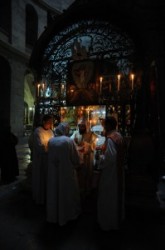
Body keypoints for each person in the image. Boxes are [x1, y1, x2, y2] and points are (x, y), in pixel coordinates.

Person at [46, 122, 81, 226]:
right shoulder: (68, 141)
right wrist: (78, 164)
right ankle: (67, 215)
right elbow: (75, 158)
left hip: (53, 173)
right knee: (66, 194)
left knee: (54, 193)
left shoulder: (51, 141)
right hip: (66, 173)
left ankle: (53, 215)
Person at [97, 116, 125, 231]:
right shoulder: (118, 136)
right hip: (117, 171)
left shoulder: (110, 138)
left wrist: (100, 158)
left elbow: (109, 158)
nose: (103, 127)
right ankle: (116, 220)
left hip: (110, 174)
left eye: (104, 125)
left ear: (108, 126)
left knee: (108, 197)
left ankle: (108, 223)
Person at [70, 119, 98, 196]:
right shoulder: (76, 133)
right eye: (80, 126)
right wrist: (74, 142)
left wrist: (85, 145)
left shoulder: (92, 134)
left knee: (88, 174)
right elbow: (70, 142)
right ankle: (79, 192)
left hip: (88, 158)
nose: (81, 128)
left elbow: (94, 146)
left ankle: (88, 192)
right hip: (79, 158)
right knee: (80, 175)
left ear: (86, 126)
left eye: (83, 126)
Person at [32, 114, 54, 205]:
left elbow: (53, 142)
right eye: (48, 122)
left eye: (51, 122)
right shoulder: (38, 131)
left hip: (48, 159)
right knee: (40, 179)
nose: (49, 124)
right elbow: (40, 146)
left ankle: (46, 197)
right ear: (44, 122)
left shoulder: (51, 132)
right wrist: (48, 147)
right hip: (40, 159)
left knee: (46, 180)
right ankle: (39, 198)